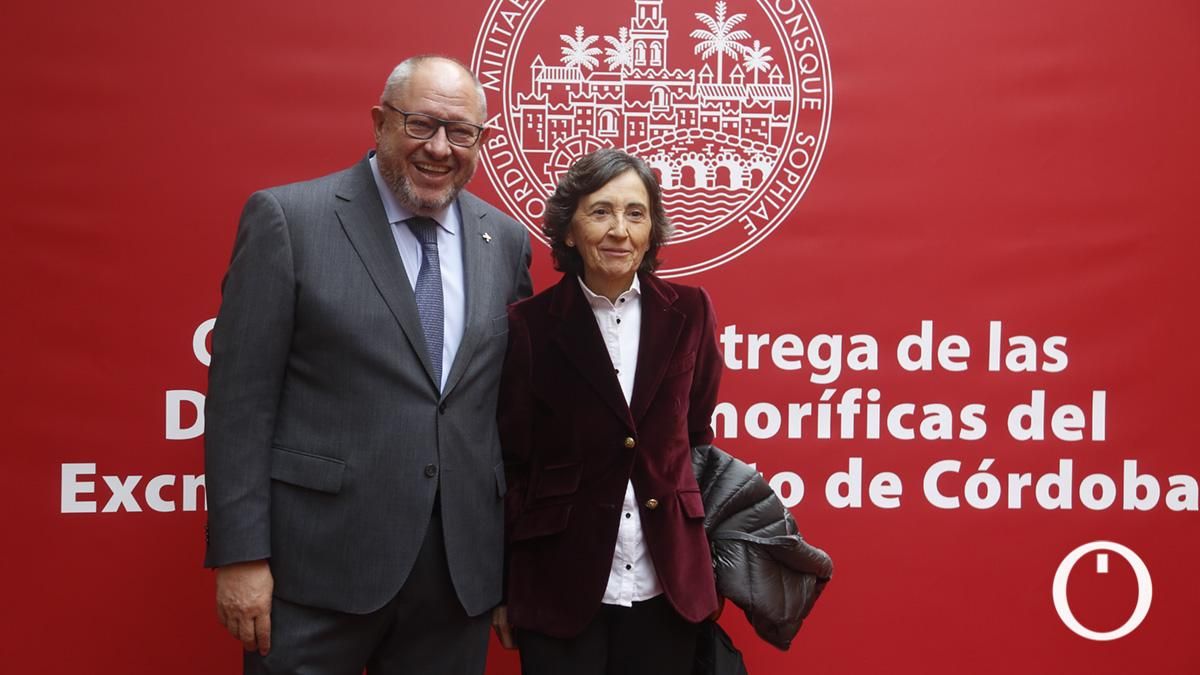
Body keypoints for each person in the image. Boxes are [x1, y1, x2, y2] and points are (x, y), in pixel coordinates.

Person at [203, 55, 532, 674]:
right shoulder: (289, 220)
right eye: (420, 125)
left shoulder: (504, 240)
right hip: (315, 573)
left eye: (461, 133)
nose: (440, 148)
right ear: (380, 123)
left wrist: (513, 567)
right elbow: (239, 404)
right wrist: (241, 556)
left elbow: (507, 415)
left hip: (457, 579)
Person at [492, 148, 723, 675]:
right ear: (569, 231)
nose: (619, 229)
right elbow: (512, 463)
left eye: (635, 213)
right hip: (560, 585)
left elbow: (694, 433)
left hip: (666, 583)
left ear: (651, 229)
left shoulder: (690, 311)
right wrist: (506, 585)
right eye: (600, 212)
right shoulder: (529, 325)